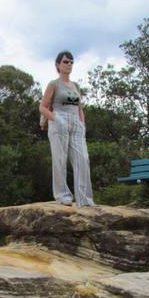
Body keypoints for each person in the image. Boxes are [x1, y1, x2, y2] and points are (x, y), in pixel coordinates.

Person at [39, 50, 95, 207]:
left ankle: (85, 199)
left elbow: (79, 108)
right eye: (65, 62)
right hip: (59, 120)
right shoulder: (54, 84)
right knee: (60, 159)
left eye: (71, 62)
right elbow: (42, 107)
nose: (69, 64)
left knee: (82, 159)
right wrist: (56, 119)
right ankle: (62, 195)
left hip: (76, 123)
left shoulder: (76, 85)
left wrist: (82, 124)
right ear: (58, 65)